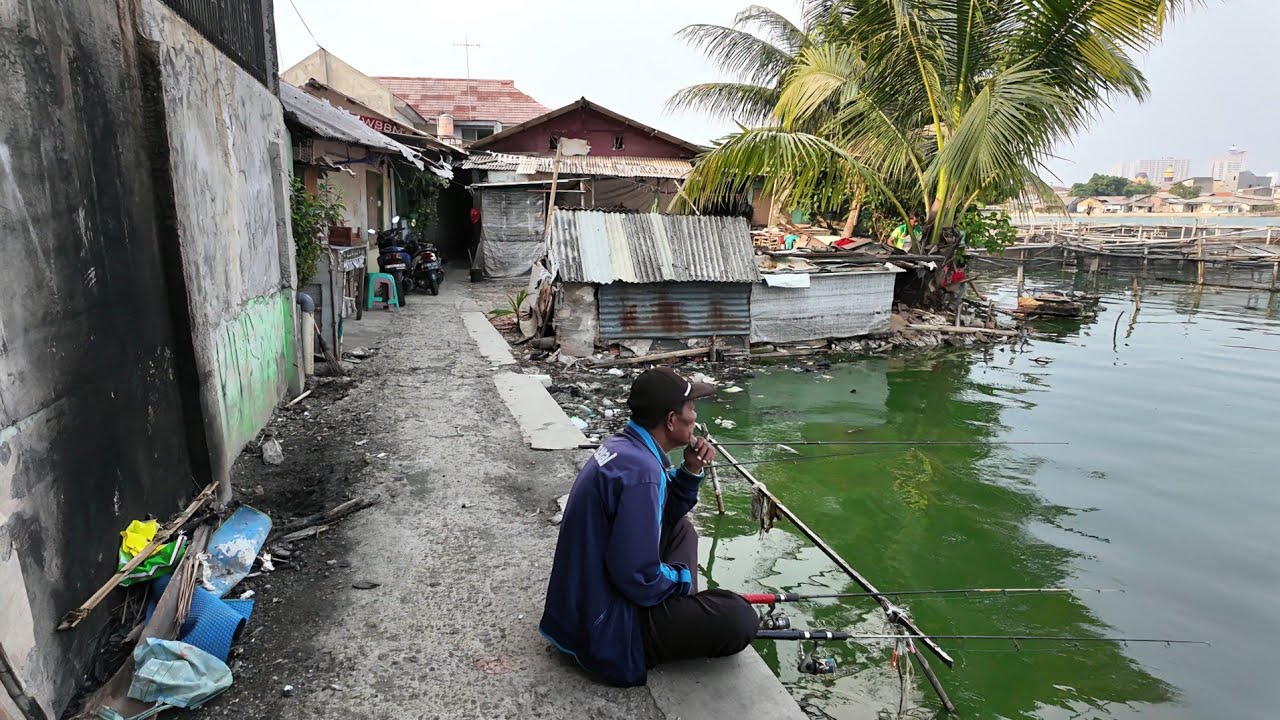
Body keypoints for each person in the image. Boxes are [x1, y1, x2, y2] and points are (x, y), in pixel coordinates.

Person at [539, 368, 758, 686]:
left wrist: (691, 469)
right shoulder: (643, 472)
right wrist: (681, 580)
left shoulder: (626, 446)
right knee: (739, 619)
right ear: (671, 420)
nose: (695, 417)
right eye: (691, 409)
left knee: (683, 529)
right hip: (604, 624)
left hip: (579, 606)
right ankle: (678, 614)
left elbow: (667, 513)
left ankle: (680, 610)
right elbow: (638, 577)